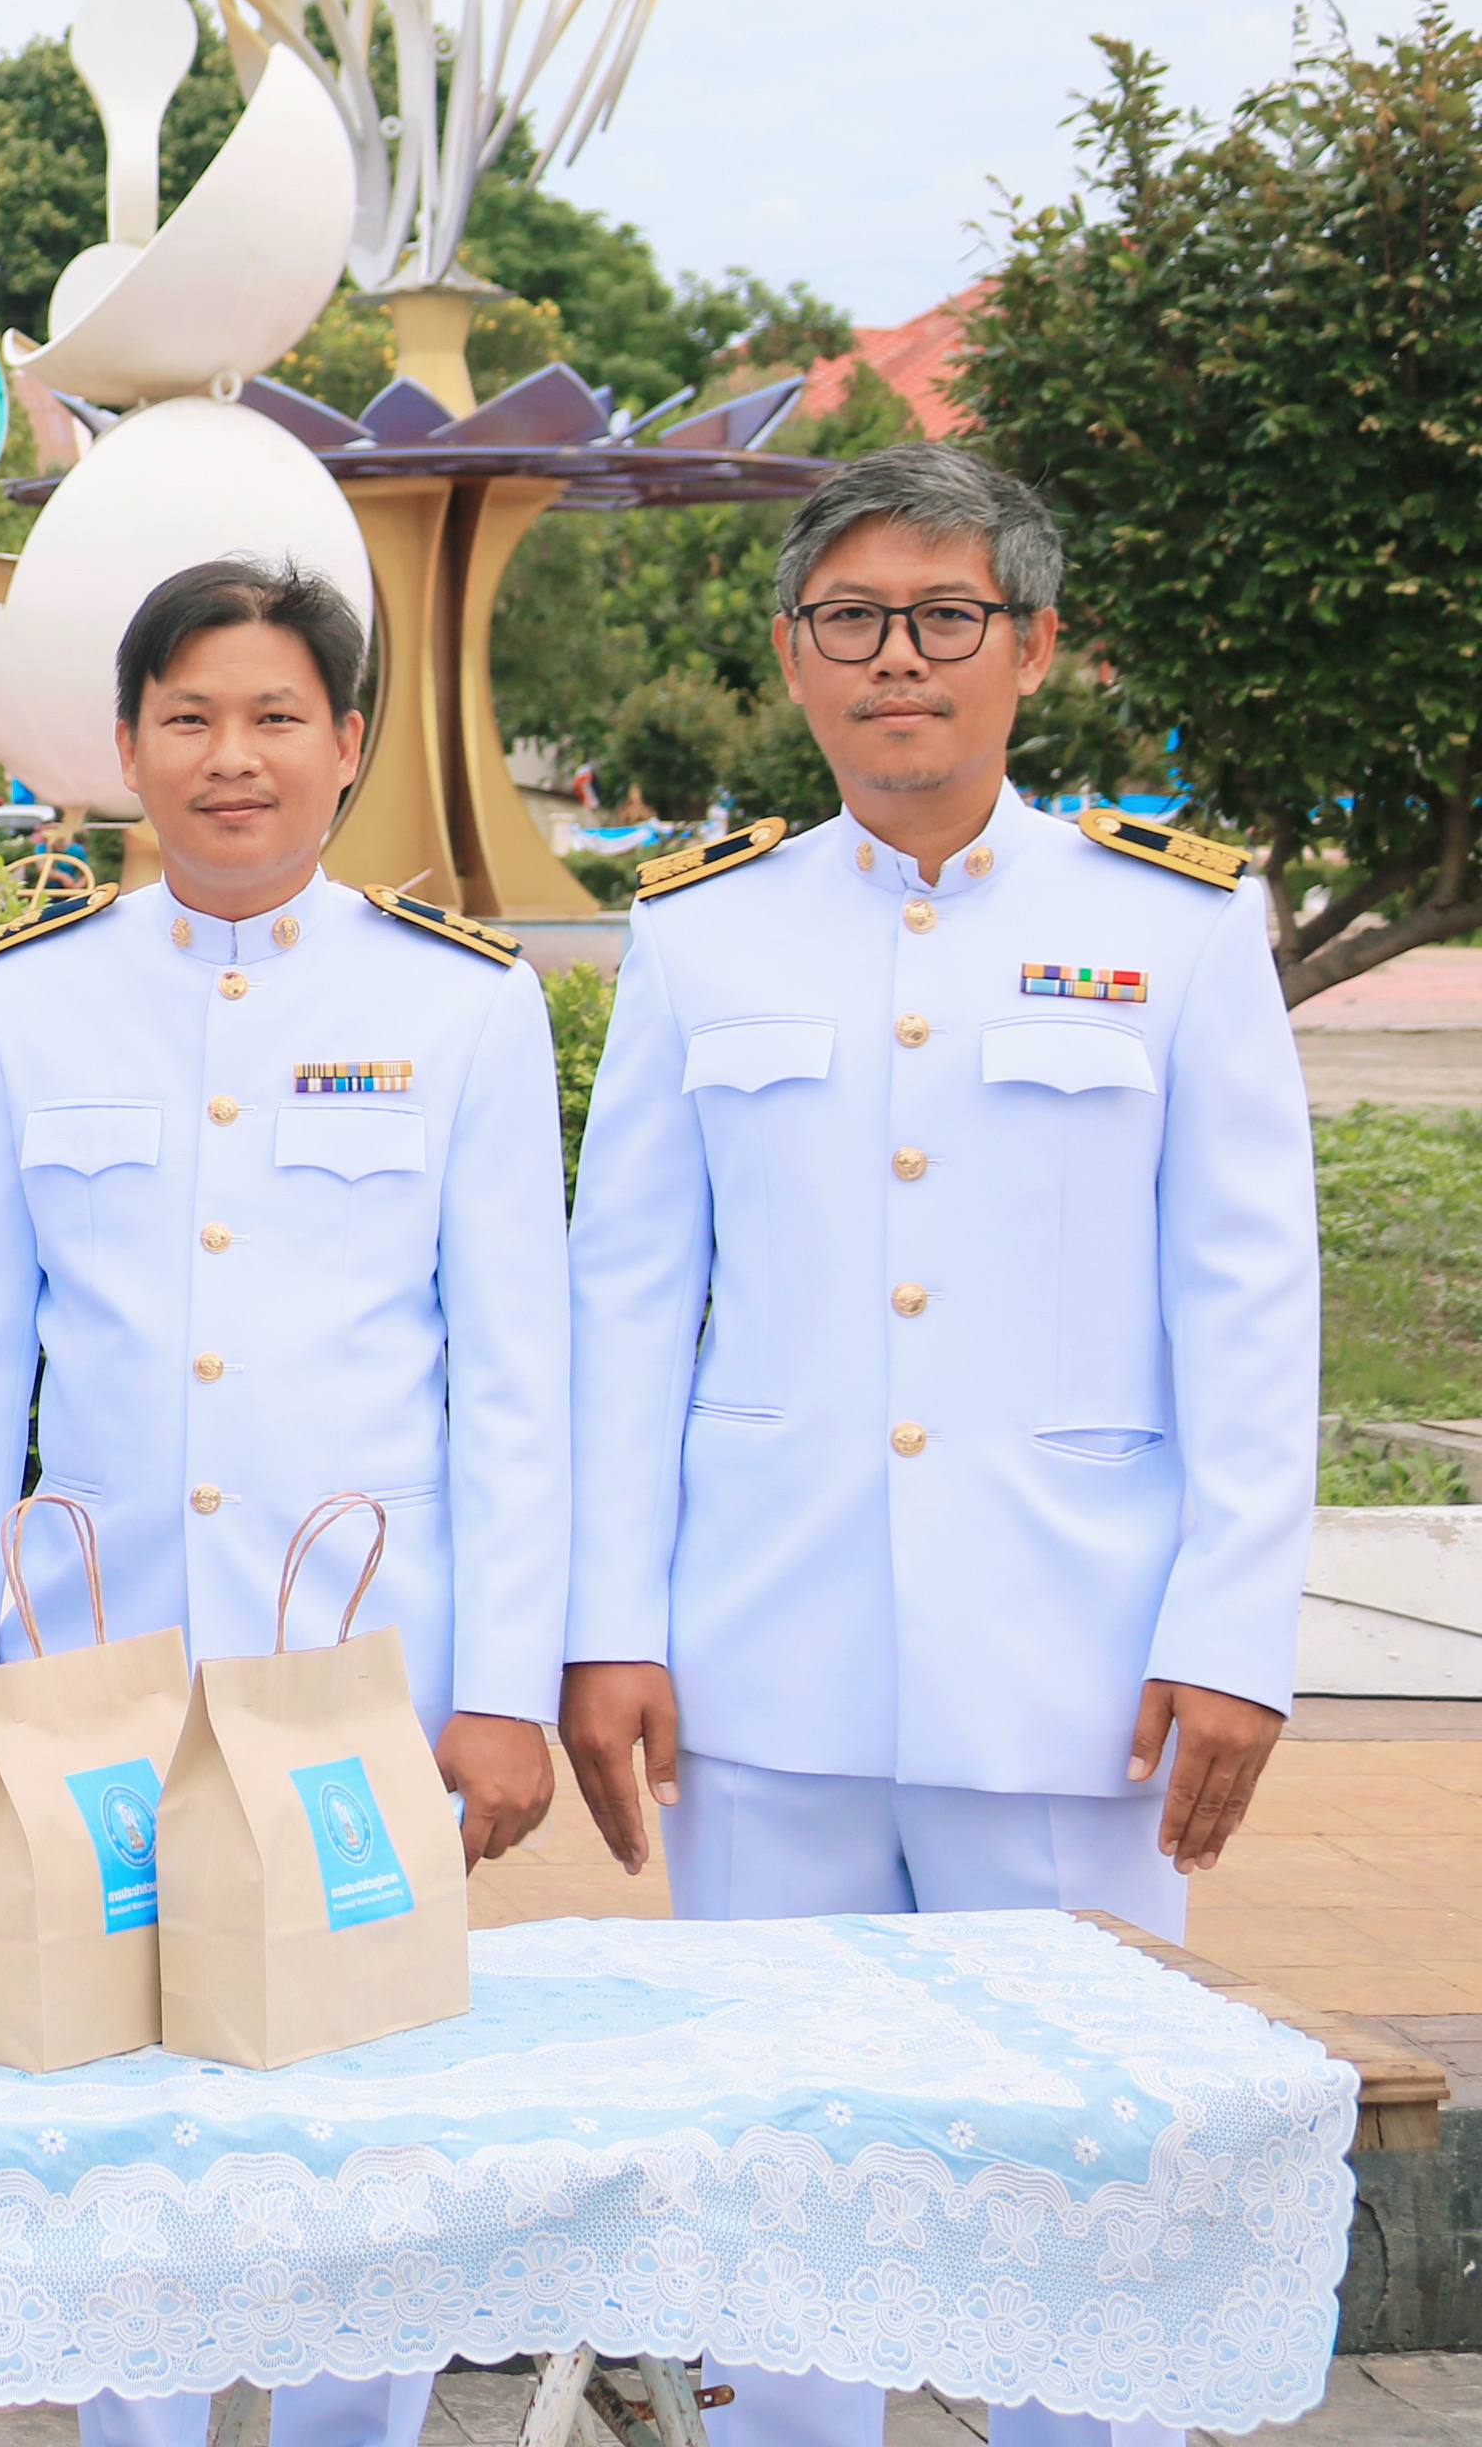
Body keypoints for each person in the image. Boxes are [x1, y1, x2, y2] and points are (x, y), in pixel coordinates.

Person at [564, 443, 1315, 2447]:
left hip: (1080, 1681)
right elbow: (627, 1304)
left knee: (1092, 2209)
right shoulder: (706, 934)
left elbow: (1248, 1297)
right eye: (853, 622)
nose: (901, 658)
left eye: (946, 616)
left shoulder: (1172, 929)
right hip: (764, 1671)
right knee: (777, 2208)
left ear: (1033, 645)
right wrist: (606, 1627)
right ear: (796, 660)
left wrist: (1238, 1625)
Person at [0, 556, 568, 2447]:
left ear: (349, 743)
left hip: (364, 1682)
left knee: (356, 2139)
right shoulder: (26, 1007)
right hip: (96, 1669)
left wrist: (509, 1685)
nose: (234, 758)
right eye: (192, 719)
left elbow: (519, 1379)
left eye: (277, 716)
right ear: (126, 745)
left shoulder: (463, 1009)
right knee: (113, 2125)